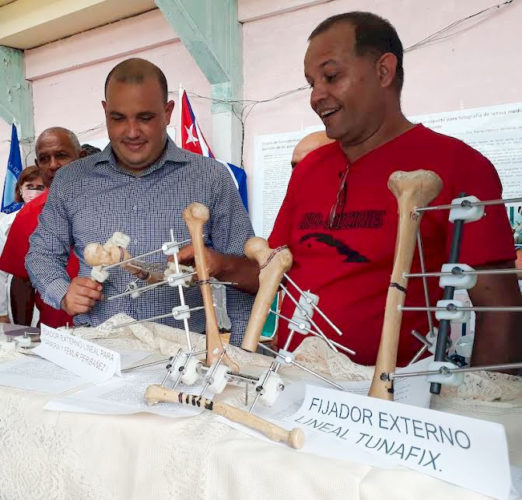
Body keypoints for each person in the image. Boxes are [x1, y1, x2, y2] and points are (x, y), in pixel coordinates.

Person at [266, 12, 521, 367]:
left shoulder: (458, 166)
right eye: (311, 83)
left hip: (395, 402)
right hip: (288, 387)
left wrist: (482, 408)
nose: (316, 96)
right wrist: (218, 265)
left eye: (331, 76)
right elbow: (273, 268)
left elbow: (499, 310)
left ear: (383, 71)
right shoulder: (308, 170)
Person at [26, 58, 254, 344]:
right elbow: (42, 253)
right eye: (118, 118)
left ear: (168, 112)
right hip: (98, 350)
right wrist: (62, 292)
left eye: (145, 118)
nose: (132, 132)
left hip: (184, 355)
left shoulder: (210, 178)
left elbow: (247, 277)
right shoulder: (72, 180)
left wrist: (243, 350)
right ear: (105, 111)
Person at [0, 128, 82, 327]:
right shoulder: (27, 215)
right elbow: (22, 282)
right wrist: (21, 335)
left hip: (115, 333)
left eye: (62, 155)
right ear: (38, 165)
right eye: (44, 159)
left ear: (82, 158)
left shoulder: (113, 204)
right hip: (54, 335)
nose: (53, 165)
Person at [0, 166, 47, 324]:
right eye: (29, 187)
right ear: (20, 189)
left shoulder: (53, 218)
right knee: (20, 341)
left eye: (40, 187)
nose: (33, 192)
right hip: (16, 293)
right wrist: (1, 311)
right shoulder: (5, 222)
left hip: (46, 292)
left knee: (44, 340)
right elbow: (1, 272)